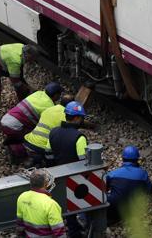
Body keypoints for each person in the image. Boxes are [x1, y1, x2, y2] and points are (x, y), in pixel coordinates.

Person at [47, 101, 88, 238]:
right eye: (81, 117)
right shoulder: (79, 137)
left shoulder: (53, 132)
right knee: (78, 203)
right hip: (75, 178)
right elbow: (84, 162)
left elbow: (48, 154)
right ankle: (78, 229)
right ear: (76, 118)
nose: (82, 120)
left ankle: (72, 229)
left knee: (64, 203)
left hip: (57, 175)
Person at [0, 43, 39, 133]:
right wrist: (29, 90)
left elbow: (19, 77)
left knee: (22, 86)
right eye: (32, 59)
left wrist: (27, 88)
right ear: (28, 55)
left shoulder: (21, 48)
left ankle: (22, 105)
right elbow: (17, 83)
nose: (32, 61)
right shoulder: (15, 60)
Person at [1, 82, 63, 163]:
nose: (59, 97)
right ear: (55, 95)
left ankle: (10, 141)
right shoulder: (49, 106)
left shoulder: (38, 93)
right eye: (59, 94)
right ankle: (15, 150)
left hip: (5, 120)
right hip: (14, 127)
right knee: (32, 138)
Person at [105, 146, 152, 225]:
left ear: (123, 159)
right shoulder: (142, 174)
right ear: (137, 160)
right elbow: (149, 191)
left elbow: (104, 190)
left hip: (113, 210)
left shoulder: (112, 174)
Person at [24, 94, 74, 167]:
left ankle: (35, 161)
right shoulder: (66, 115)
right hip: (42, 147)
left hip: (29, 142)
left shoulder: (49, 109)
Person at [16, 169, 66, 238]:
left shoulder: (22, 197)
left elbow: (20, 224)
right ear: (45, 183)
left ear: (30, 182)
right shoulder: (51, 204)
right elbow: (59, 232)